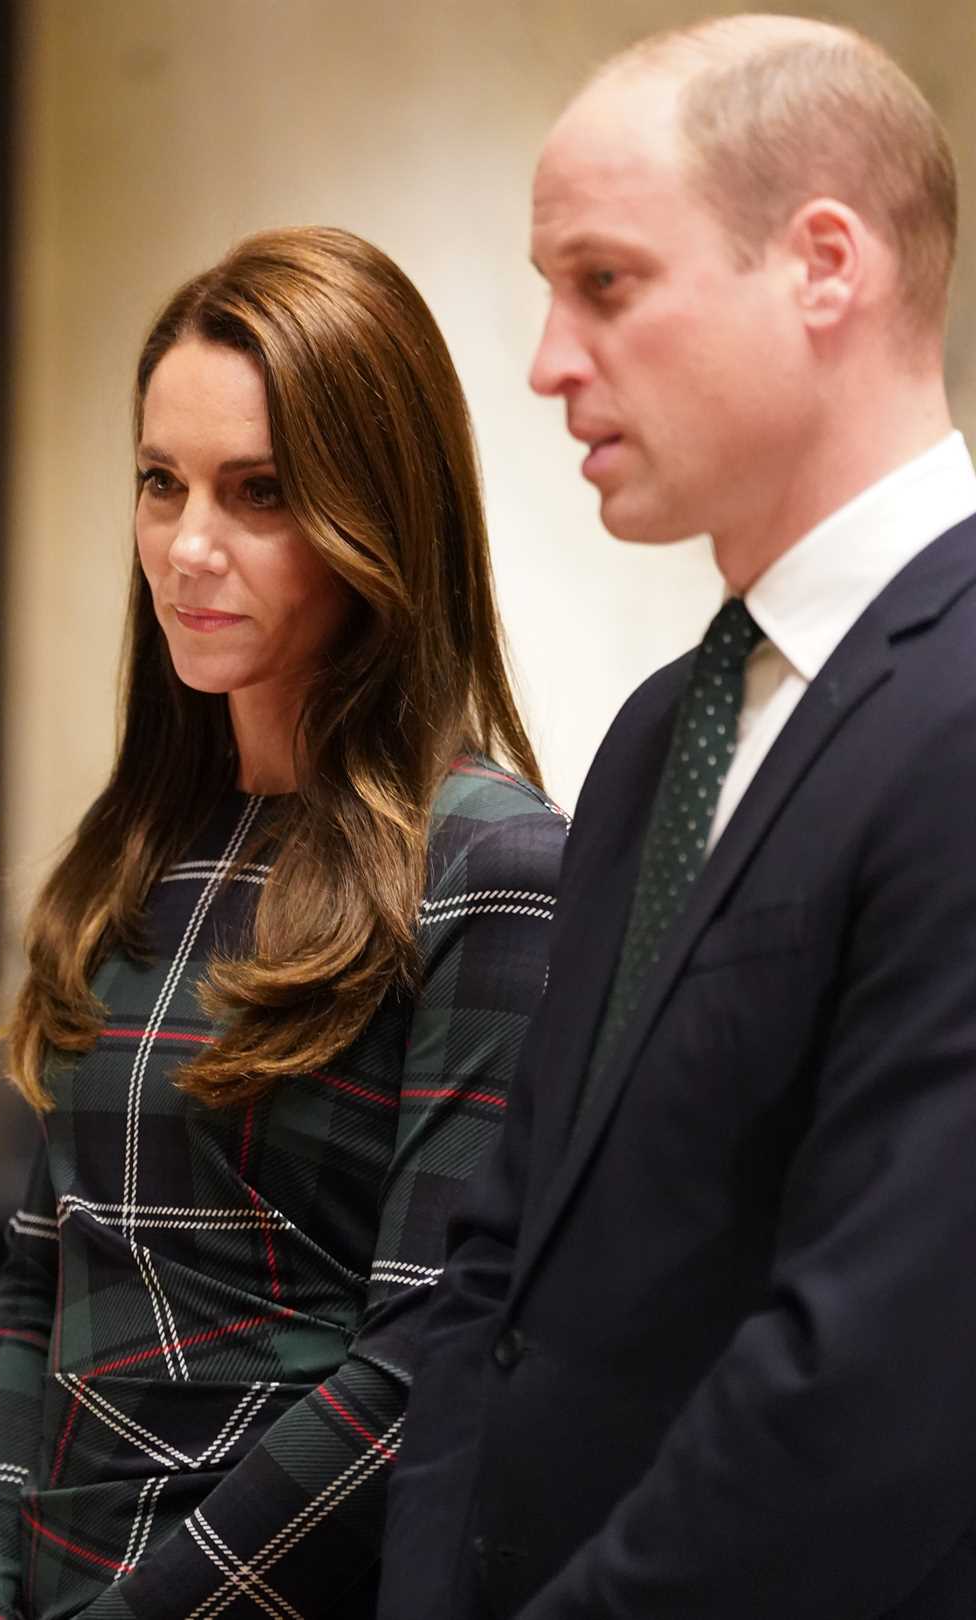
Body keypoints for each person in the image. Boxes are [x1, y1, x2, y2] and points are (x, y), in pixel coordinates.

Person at [379, 16, 976, 1620]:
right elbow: (497, 1269)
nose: (548, 360)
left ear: (824, 266)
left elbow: (876, 1376)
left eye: (606, 283)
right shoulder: (664, 730)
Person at [0, 226, 566, 1620]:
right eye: (161, 484)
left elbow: (416, 1369)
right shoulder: (138, 852)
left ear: (378, 518)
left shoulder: (496, 863)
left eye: (259, 492)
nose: (189, 546)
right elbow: (35, 1285)